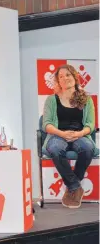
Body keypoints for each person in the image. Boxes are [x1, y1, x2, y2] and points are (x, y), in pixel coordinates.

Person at [42, 64, 96, 209]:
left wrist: (79, 134)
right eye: (61, 77)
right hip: (58, 135)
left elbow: (90, 124)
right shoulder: (51, 100)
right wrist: (61, 133)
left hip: (80, 135)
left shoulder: (87, 99)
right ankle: (75, 186)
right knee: (54, 148)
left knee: (88, 147)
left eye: (68, 75)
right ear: (58, 82)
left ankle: (72, 188)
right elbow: (46, 124)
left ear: (74, 77)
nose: (65, 78)